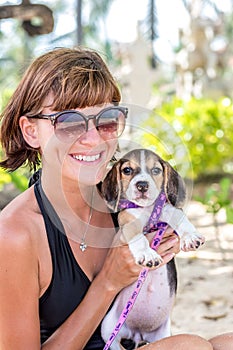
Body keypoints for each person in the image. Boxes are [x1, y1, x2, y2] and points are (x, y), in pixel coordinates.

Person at [0, 46, 226, 350]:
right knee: (190, 346)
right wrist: (108, 282)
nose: (93, 138)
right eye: (68, 122)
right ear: (30, 131)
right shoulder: (14, 235)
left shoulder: (124, 201)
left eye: (106, 120)